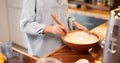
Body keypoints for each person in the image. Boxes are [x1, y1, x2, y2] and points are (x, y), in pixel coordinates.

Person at [20, 0, 88, 57]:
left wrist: (74, 24)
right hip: (42, 53)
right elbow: (25, 24)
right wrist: (49, 28)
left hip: (63, 47)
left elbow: (63, 16)